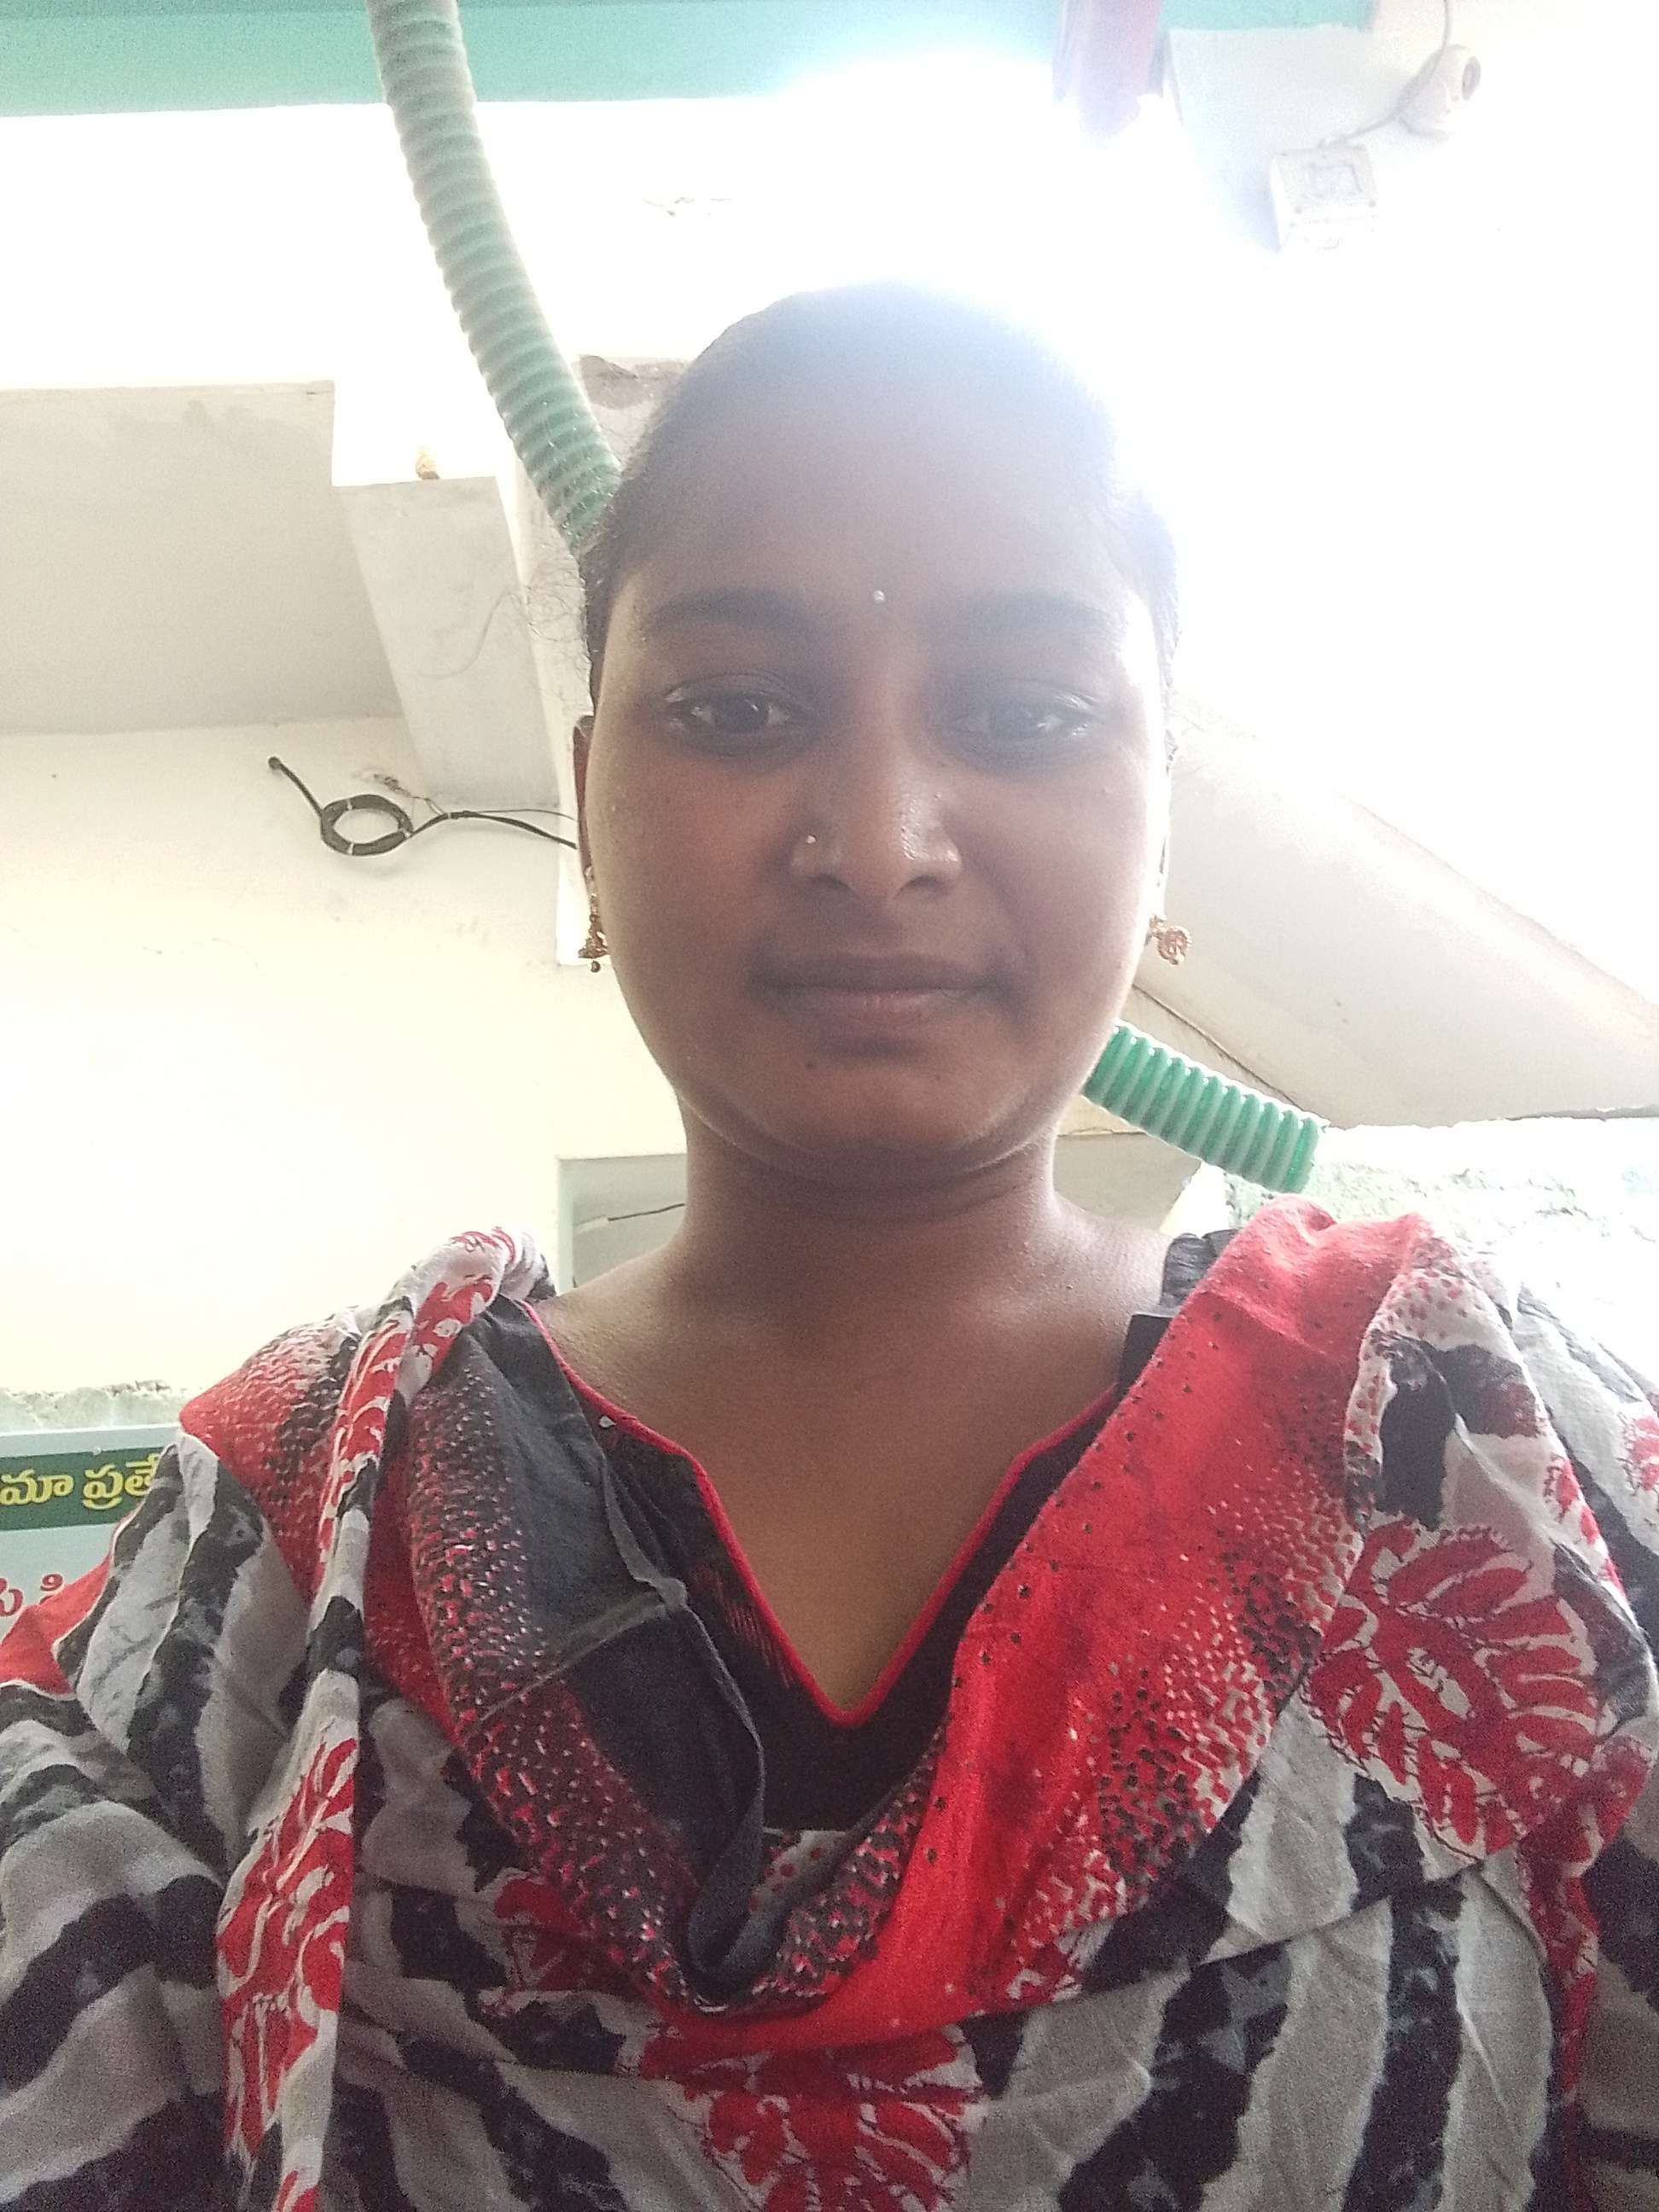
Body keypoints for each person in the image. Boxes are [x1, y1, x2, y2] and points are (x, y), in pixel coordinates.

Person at [1, 285, 1654, 2212]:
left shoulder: (1481, 1449)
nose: (879, 839)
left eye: (1023, 714)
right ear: (591, 794)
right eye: (739, 710)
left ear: (1162, 823)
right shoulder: (296, 1536)